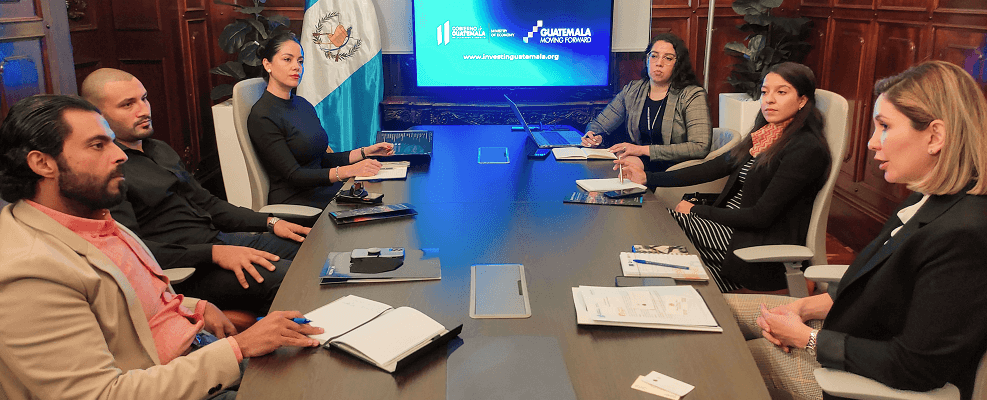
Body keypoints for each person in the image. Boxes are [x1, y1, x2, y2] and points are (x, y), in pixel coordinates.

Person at [0, 94, 324, 400]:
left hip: (198, 355)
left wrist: (193, 306)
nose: (120, 155)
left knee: (321, 364)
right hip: (174, 383)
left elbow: (131, 303)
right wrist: (238, 348)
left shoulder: (93, 218)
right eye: (98, 145)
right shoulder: (28, 272)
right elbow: (101, 395)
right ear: (42, 163)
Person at [727, 61, 987, 400]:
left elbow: (916, 367)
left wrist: (808, 339)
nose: (872, 143)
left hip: (869, 381)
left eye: (884, 127)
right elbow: (874, 287)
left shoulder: (965, 233)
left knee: (725, 360)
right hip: (850, 332)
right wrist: (801, 309)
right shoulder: (926, 197)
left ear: (935, 136)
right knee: (717, 309)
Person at [80, 68, 311, 315]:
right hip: (188, 269)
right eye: (128, 105)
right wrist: (212, 254)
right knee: (296, 279)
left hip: (218, 241)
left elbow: (209, 204)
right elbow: (133, 249)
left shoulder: (159, 149)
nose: (143, 110)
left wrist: (270, 222)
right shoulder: (108, 171)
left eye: (144, 98)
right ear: (97, 114)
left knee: (312, 251)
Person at [616, 62, 831, 293]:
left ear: (802, 100)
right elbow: (710, 168)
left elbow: (759, 217)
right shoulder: (765, 135)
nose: (769, 100)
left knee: (659, 219)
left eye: (781, 92)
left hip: (752, 239)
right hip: (730, 229)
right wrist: (648, 178)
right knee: (664, 268)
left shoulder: (806, 149)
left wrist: (695, 210)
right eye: (764, 92)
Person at [248, 32, 394, 209]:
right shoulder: (262, 115)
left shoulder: (302, 104)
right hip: (296, 200)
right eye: (287, 59)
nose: (296, 67)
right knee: (376, 208)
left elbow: (322, 160)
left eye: (300, 61)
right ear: (267, 64)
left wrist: (366, 152)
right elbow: (295, 175)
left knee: (387, 194)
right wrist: (350, 170)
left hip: (321, 189)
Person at [582, 32, 711, 171]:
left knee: (624, 165)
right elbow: (598, 125)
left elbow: (700, 147)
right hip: (640, 161)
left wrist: (641, 150)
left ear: (678, 64)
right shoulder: (632, 90)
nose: (659, 63)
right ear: (647, 59)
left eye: (668, 58)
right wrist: (593, 137)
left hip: (676, 167)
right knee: (614, 165)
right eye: (654, 56)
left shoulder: (692, 95)